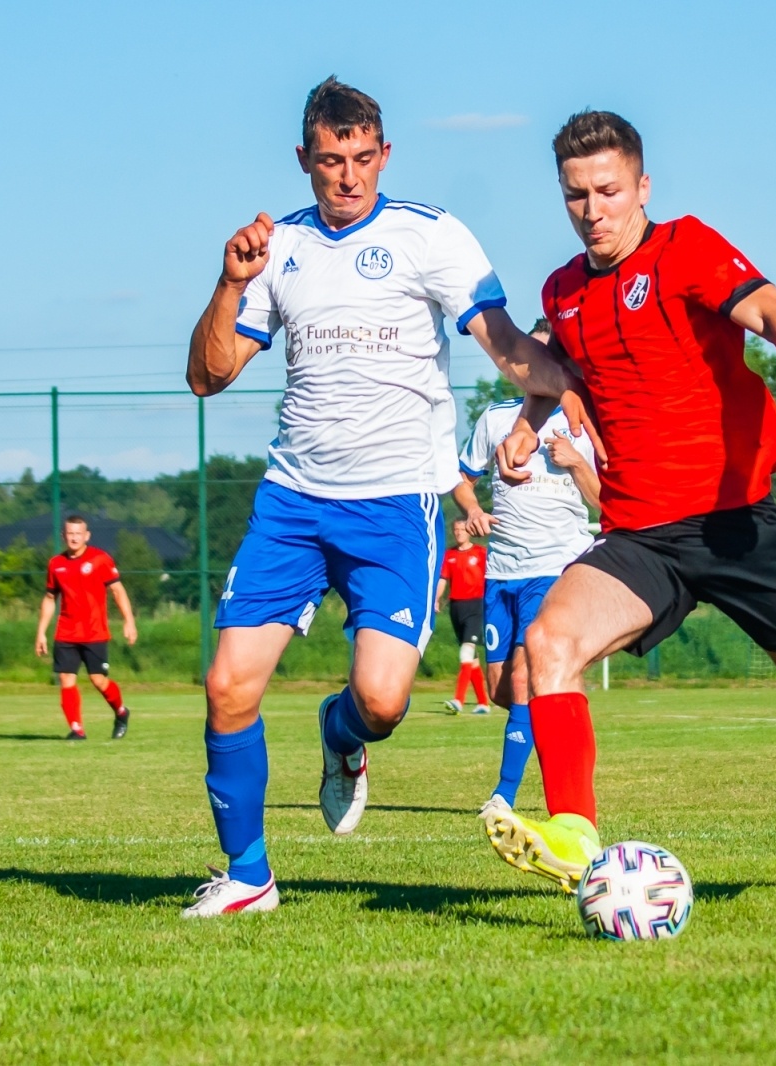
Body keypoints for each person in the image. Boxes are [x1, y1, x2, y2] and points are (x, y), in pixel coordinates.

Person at [479, 110, 776, 892]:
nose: (592, 210)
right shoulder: (561, 291)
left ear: (642, 187)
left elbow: (771, 311)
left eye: (607, 191)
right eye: (576, 195)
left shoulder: (685, 247)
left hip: (733, 525)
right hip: (639, 535)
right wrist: (529, 425)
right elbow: (562, 370)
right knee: (549, 642)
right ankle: (573, 830)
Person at [181, 77, 573, 917]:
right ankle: (249, 876)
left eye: (362, 158)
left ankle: (341, 734)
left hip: (395, 507)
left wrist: (566, 390)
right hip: (292, 503)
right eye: (331, 160)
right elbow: (207, 376)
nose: (348, 176)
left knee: (382, 703)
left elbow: (505, 344)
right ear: (304, 159)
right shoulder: (278, 247)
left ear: (385, 155)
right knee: (227, 686)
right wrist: (229, 283)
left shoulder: (430, 235)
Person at [455, 385, 600, 810]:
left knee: (523, 680)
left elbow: (606, 501)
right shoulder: (496, 418)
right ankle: (565, 723)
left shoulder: (584, 422)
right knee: (504, 689)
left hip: (556, 568)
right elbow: (462, 480)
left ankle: (503, 795)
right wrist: (473, 510)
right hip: (502, 572)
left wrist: (576, 462)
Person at [34, 514, 137, 741]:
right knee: (66, 678)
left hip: (94, 632)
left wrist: (129, 621)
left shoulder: (100, 559)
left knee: (98, 680)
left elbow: (118, 590)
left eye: (78, 534)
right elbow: (50, 598)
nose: (74, 538)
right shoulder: (56, 564)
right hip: (66, 632)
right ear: (63, 536)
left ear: (86, 536)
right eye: (70, 533)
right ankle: (77, 729)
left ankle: (121, 712)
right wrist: (41, 632)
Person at [436, 519, 490, 715]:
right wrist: (436, 599)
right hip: (456, 607)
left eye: (462, 529)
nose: (459, 532)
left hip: (476, 605)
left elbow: (491, 577)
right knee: (471, 658)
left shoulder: (481, 553)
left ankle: (458, 700)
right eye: (456, 529)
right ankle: (483, 703)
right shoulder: (449, 555)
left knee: (466, 652)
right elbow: (443, 579)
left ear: (469, 532)